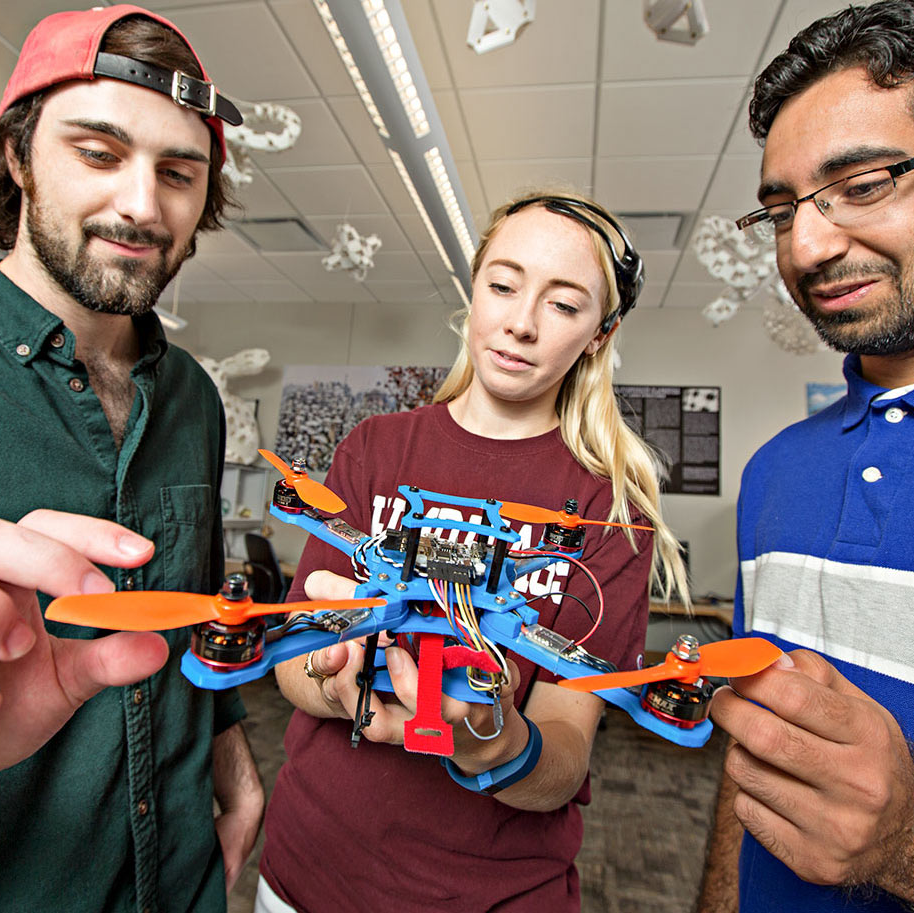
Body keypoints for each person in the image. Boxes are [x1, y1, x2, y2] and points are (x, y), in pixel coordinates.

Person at [256, 191, 690, 912]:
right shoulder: (375, 449)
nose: (520, 323)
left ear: (598, 334)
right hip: (307, 870)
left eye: (563, 304)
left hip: (488, 892)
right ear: (474, 289)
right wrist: (335, 680)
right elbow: (295, 663)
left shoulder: (613, 511)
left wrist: (497, 743)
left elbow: (565, 750)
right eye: (504, 284)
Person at [0, 6, 264, 911]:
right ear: (18, 156)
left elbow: (199, 604)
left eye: (178, 173)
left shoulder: (193, 400)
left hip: (179, 878)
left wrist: (236, 770)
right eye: (98, 153)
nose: (142, 204)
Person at [696, 2, 914, 911]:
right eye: (781, 210)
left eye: (863, 184)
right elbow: (757, 762)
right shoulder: (775, 470)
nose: (807, 246)